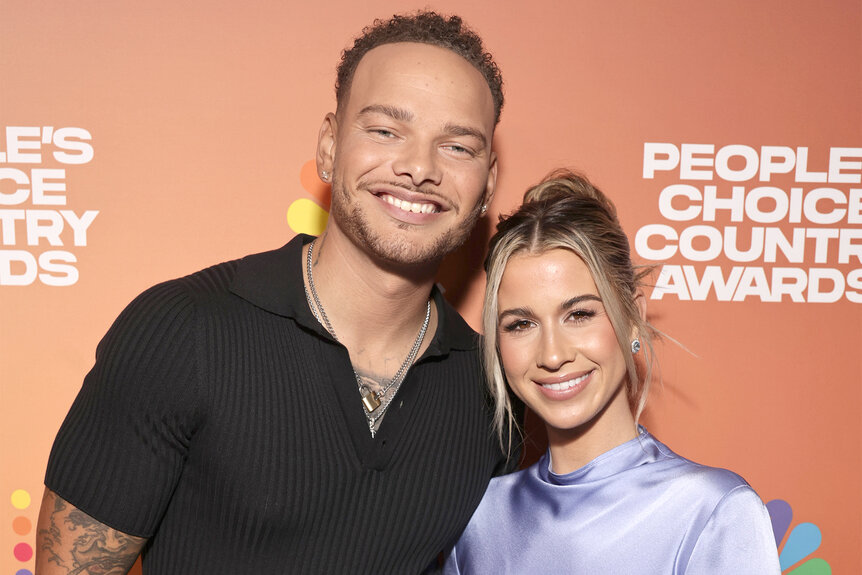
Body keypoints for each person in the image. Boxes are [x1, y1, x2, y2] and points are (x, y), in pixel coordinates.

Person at [37, 11, 512, 574]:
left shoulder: (495, 391)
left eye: (457, 147)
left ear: (487, 184)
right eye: (385, 130)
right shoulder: (182, 329)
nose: (418, 167)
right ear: (330, 146)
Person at [444, 170, 781, 574]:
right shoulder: (478, 518)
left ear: (633, 316)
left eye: (579, 314)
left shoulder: (712, 512)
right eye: (521, 324)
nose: (552, 354)